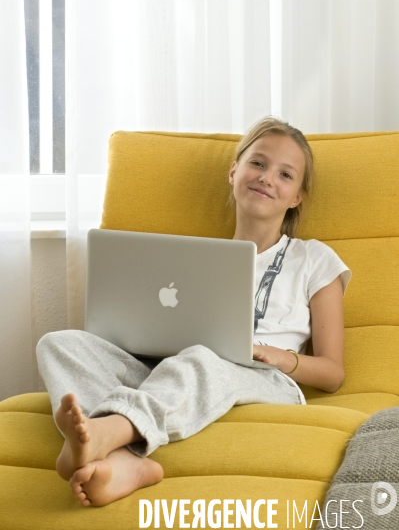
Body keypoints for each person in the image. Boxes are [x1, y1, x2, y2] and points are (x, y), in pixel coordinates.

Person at [36, 116, 351, 507]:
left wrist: (282, 358)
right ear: (234, 171)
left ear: (296, 197)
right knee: (60, 343)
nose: (267, 177)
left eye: (285, 174)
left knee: (200, 359)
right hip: (175, 367)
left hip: (266, 380)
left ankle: (106, 431)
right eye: (257, 163)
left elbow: (333, 373)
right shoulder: (191, 262)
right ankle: (122, 461)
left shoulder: (314, 258)